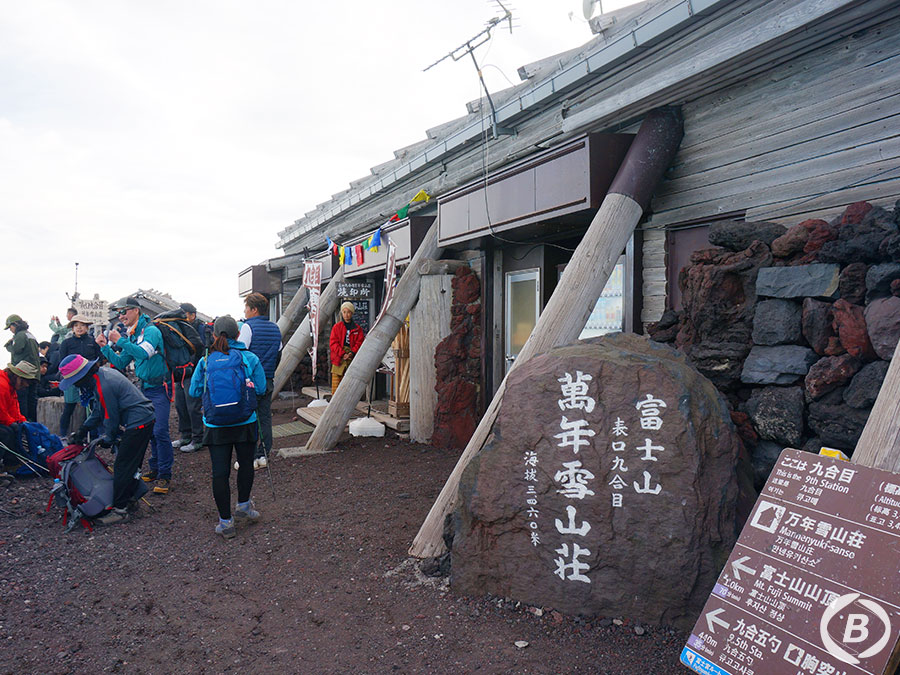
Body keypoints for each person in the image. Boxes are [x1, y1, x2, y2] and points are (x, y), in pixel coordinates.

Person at [189, 316, 265, 540]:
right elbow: (260, 388)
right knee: (245, 466)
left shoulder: (205, 360)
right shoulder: (249, 358)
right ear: (238, 334)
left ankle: (225, 522)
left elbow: (194, 392)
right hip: (245, 422)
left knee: (219, 473)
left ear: (214, 335)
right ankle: (243, 507)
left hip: (215, 425)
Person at [59, 354, 155, 525]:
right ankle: (129, 499)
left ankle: (120, 510)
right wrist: (84, 429)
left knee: (123, 466)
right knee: (130, 463)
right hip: (143, 418)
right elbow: (98, 410)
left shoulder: (104, 384)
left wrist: (108, 438)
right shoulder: (102, 374)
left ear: (82, 377)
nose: (74, 384)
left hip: (138, 422)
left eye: (74, 381)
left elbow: (110, 416)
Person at [95, 296, 173, 495]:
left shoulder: (152, 331)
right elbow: (121, 363)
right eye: (119, 312)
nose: (121, 316)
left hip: (159, 387)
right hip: (144, 387)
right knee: (151, 429)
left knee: (161, 430)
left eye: (124, 311)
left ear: (136, 310)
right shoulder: (132, 335)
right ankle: (155, 467)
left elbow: (143, 353)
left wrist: (118, 341)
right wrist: (105, 347)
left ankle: (165, 474)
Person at [238, 293, 281, 470]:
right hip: (268, 379)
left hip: (249, 382)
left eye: (246, 308)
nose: (245, 311)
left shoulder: (248, 328)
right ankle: (263, 454)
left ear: (254, 310)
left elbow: (239, 353)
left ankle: (247, 455)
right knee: (264, 417)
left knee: (246, 417)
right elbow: (279, 354)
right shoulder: (275, 328)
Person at [57, 314, 101, 437]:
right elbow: (62, 362)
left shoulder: (93, 341)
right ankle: (63, 435)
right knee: (69, 407)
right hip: (72, 379)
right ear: (72, 328)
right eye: (76, 325)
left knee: (93, 407)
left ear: (87, 327)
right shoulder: (66, 343)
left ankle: (93, 437)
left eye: (82, 325)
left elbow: (100, 358)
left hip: (90, 378)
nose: (79, 328)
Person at [172, 302, 206, 453]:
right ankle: (185, 435)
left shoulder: (201, 328)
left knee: (193, 406)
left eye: (184, 313)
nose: (181, 316)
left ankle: (198, 438)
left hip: (194, 372)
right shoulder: (179, 328)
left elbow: (203, 349)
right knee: (180, 404)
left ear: (192, 315)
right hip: (181, 372)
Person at [0, 361, 38, 478]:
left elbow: (13, 408)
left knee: (14, 430)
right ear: (17, 377)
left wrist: (22, 420)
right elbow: (1, 411)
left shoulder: (10, 386)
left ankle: (11, 464)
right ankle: (10, 464)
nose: (26, 385)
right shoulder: (2, 385)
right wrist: (11, 423)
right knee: (6, 433)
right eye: (26, 381)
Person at [4, 315, 40, 421]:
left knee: (22, 400)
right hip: (34, 373)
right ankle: (32, 424)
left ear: (15, 324)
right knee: (31, 401)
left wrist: (8, 345)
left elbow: (17, 349)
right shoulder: (30, 334)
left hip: (23, 374)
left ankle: (23, 425)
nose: (10, 330)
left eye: (10, 327)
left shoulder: (19, 335)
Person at [329, 301, 365, 394]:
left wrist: (352, 353)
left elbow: (359, 342)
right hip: (339, 357)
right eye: (344, 312)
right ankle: (335, 404)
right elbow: (333, 343)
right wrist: (342, 354)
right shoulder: (337, 327)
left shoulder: (357, 328)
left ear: (352, 313)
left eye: (348, 312)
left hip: (351, 356)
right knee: (336, 382)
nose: (346, 315)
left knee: (349, 382)